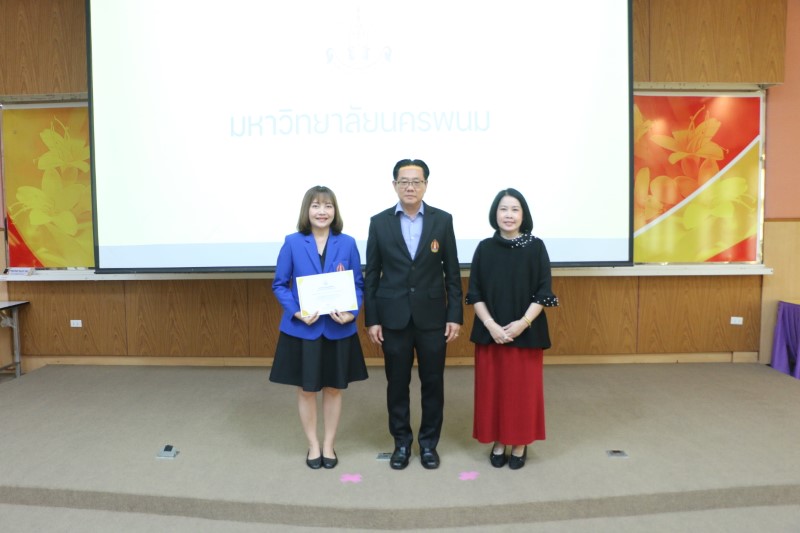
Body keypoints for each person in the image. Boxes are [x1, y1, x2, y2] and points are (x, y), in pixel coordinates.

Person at [364, 158, 463, 470]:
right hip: (393, 318)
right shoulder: (379, 222)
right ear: (394, 185)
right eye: (404, 181)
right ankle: (402, 444)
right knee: (397, 384)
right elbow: (372, 275)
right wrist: (372, 319)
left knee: (433, 383)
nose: (410, 187)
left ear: (425, 185)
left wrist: (455, 315)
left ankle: (429, 444)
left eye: (416, 181)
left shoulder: (442, 221)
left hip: (433, 318)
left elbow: (452, 272)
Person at [270, 185, 368, 470]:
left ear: (335, 211)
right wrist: (297, 312)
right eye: (316, 206)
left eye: (327, 206)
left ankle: (328, 444)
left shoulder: (347, 243)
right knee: (307, 389)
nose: (322, 211)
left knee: (334, 389)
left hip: (338, 329)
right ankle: (313, 444)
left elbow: (358, 285)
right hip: (304, 329)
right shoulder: (292, 242)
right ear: (307, 210)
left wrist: (351, 312)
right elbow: (280, 284)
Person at [465, 188, 559, 470]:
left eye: (515, 209)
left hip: (526, 332)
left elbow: (544, 292)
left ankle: (519, 442)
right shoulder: (485, 248)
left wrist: (522, 324)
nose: (509, 215)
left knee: (521, 393)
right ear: (495, 214)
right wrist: (491, 325)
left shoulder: (536, 247)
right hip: (490, 333)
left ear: (523, 215)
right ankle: (498, 440)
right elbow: (475, 293)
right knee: (493, 391)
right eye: (503, 209)